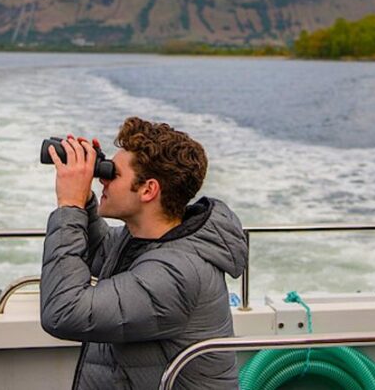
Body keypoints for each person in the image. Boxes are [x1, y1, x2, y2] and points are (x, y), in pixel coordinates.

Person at [39, 117, 248, 390]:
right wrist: (86, 199)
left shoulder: (177, 273)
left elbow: (63, 312)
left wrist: (70, 205)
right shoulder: (145, 239)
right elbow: (99, 252)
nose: (103, 178)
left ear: (148, 190)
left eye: (114, 174)